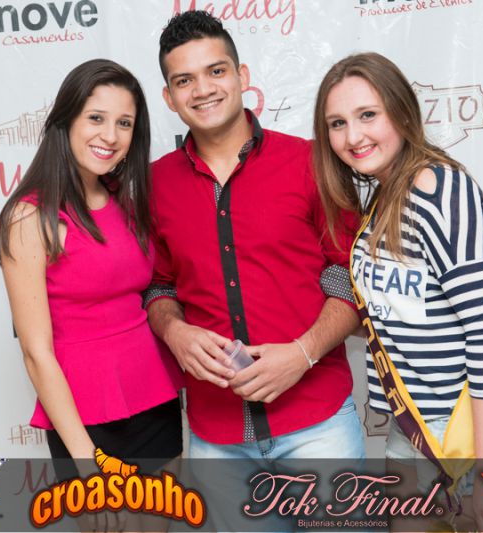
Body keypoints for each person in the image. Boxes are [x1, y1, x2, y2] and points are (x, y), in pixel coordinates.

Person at [313, 52, 483, 529]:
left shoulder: (441, 191)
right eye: (338, 123)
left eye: (367, 115)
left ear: (401, 111)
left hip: (471, 424)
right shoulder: (384, 195)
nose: (353, 137)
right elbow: (399, 313)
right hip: (413, 424)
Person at [145, 10, 365, 461]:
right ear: (169, 97)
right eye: (184, 80)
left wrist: (303, 354)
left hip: (318, 425)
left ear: (242, 76)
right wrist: (174, 330)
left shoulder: (311, 162)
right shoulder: (155, 184)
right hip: (215, 435)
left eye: (216, 71)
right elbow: (158, 285)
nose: (203, 89)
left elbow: (350, 274)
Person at [0, 59, 184, 479]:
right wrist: (85, 457)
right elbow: (36, 352)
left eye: (124, 123)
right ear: (66, 120)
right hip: (83, 418)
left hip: (155, 400)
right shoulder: (30, 217)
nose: (110, 136)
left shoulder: (126, 202)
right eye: (96, 118)